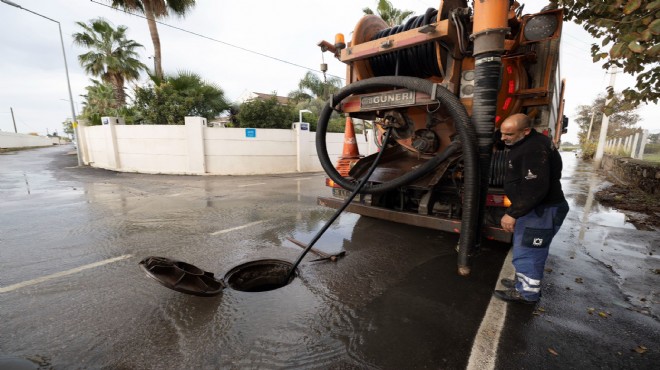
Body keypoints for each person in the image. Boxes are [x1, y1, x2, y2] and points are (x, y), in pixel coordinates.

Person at [493, 113, 569, 304]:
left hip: (541, 210)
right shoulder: (528, 141)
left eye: (508, 134)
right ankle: (521, 283)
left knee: (530, 251)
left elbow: (535, 187)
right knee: (523, 247)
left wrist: (513, 213)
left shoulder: (534, 149)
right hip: (534, 209)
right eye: (502, 133)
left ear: (525, 131)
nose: (503, 138)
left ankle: (527, 294)